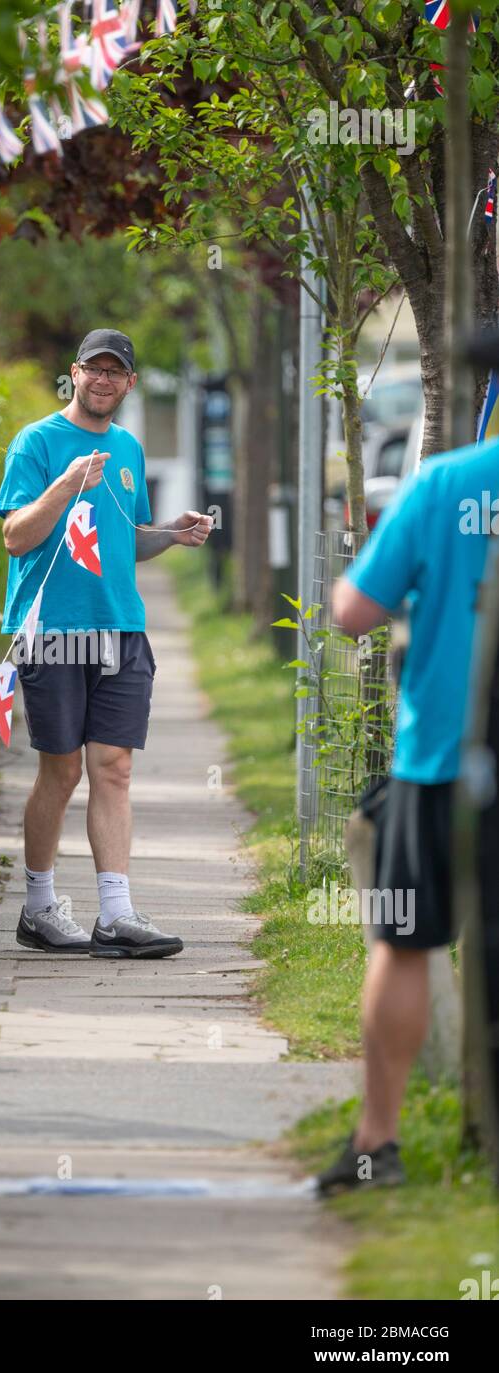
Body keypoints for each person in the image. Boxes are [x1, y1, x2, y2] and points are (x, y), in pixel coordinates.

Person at [318, 340, 499, 1194]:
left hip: (440, 758)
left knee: (405, 942)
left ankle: (376, 1143)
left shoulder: (443, 483)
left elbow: (353, 611)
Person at [0, 328, 212, 959]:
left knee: (113, 768)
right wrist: (64, 484)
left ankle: (115, 915)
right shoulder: (36, 443)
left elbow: (126, 537)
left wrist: (170, 534)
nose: (103, 380)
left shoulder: (128, 449)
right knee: (59, 771)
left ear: (130, 384)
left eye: (116, 372)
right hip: (53, 631)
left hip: (122, 626)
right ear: (75, 373)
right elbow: (15, 537)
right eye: (95, 369)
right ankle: (38, 909)